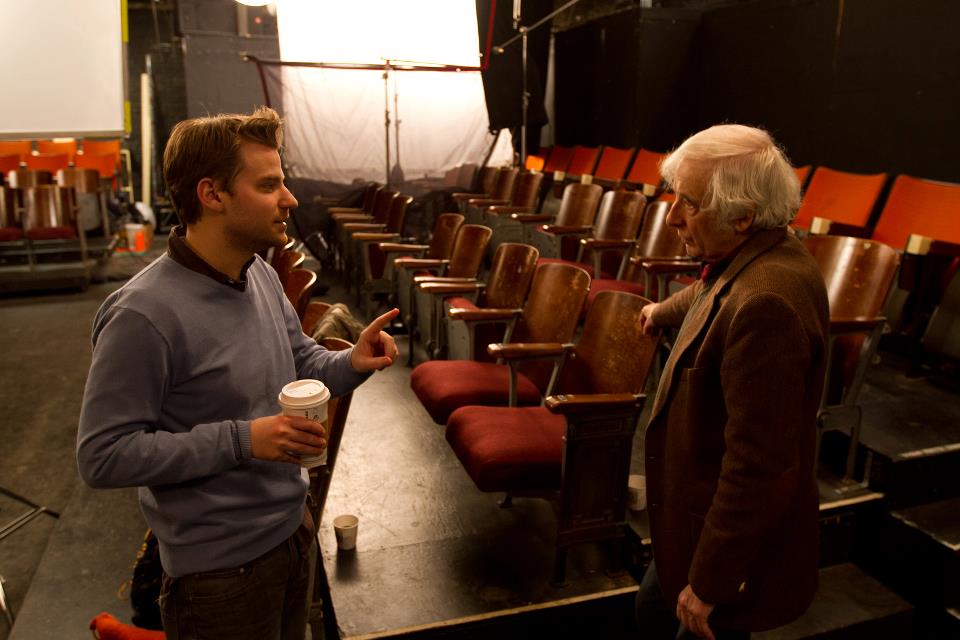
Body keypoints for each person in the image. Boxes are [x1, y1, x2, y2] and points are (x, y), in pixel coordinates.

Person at [77, 107, 400, 640]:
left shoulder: (259, 274)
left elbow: (302, 363)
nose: (289, 199)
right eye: (269, 184)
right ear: (213, 194)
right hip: (218, 576)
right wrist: (244, 440)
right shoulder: (142, 315)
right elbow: (102, 455)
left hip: (291, 535)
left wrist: (351, 364)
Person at [635, 124, 829, 639]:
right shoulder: (756, 254)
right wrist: (661, 310)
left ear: (741, 216)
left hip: (724, 543)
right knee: (649, 611)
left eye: (689, 203)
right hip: (694, 518)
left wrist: (711, 583)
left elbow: (757, 466)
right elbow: (709, 293)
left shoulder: (767, 303)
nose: (672, 215)